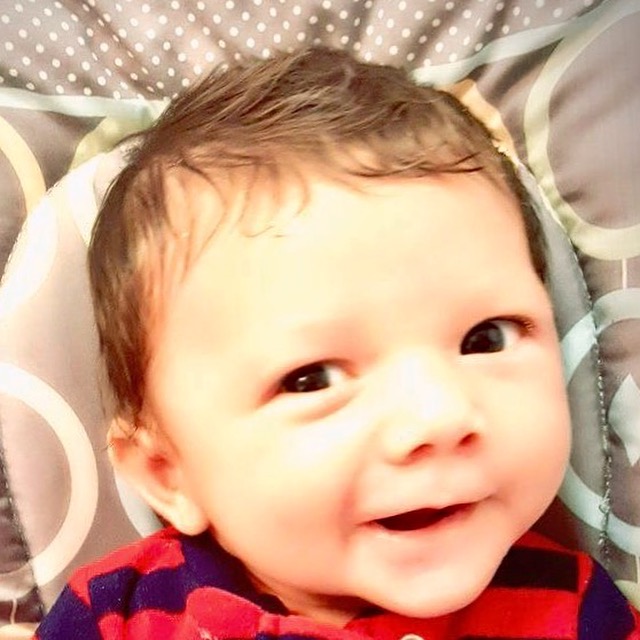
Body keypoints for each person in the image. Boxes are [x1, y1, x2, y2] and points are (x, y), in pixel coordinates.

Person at [34, 46, 639, 639]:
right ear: (169, 473)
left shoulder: (578, 613)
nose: (439, 416)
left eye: (486, 338)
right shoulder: (117, 616)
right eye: (312, 378)